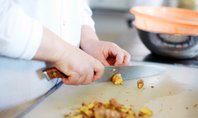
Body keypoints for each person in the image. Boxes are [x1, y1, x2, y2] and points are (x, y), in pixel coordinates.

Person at [0, 0, 130, 111]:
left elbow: (75, 5)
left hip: (58, 99)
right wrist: (64, 53)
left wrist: (89, 41)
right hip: (11, 106)